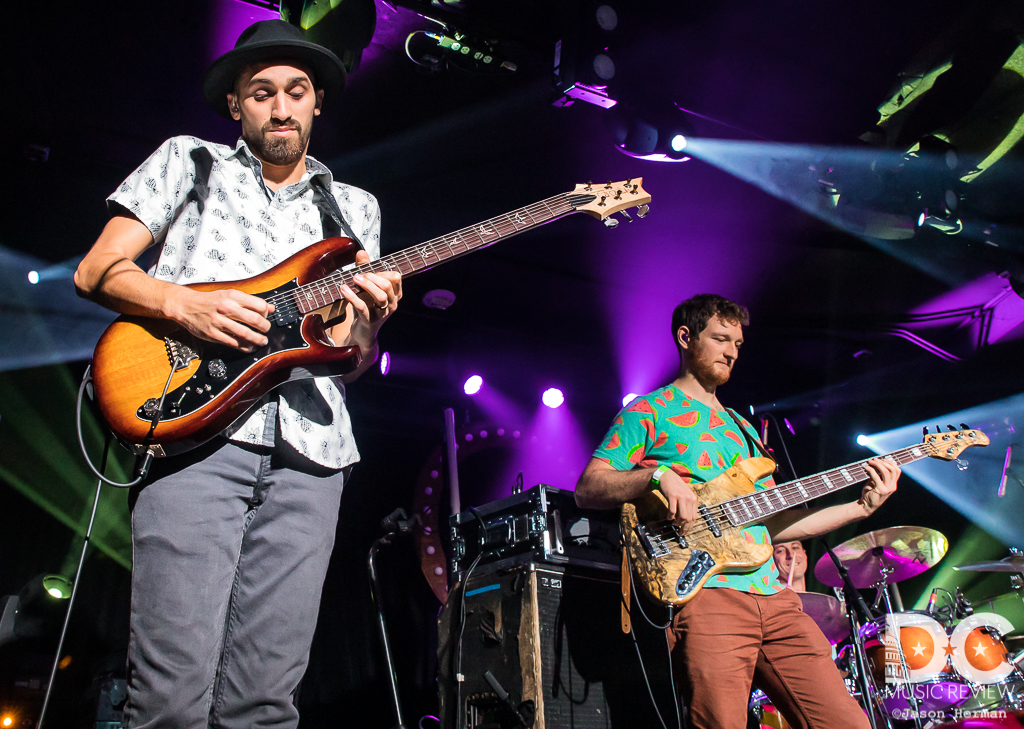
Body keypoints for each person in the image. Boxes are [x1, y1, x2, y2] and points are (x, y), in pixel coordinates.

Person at [74, 20, 401, 728]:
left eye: (296, 92)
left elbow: (350, 360)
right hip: (195, 434)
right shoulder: (188, 163)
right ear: (235, 105)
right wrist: (184, 305)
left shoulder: (355, 211)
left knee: (266, 703)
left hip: (313, 458)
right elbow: (96, 269)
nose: (280, 108)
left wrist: (371, 319)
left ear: (316, 103)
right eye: (261, 93)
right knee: (169, 697)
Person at [575, 293, 900, 729]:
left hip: (776, 599)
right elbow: (589, 487)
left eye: (738, 344)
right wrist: (655, 477)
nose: (731, 352)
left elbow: (775, 523)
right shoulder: (650, 410)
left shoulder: (744, 429)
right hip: (710, 596)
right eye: (721, 339)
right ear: (685, 338)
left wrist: (859, 507)